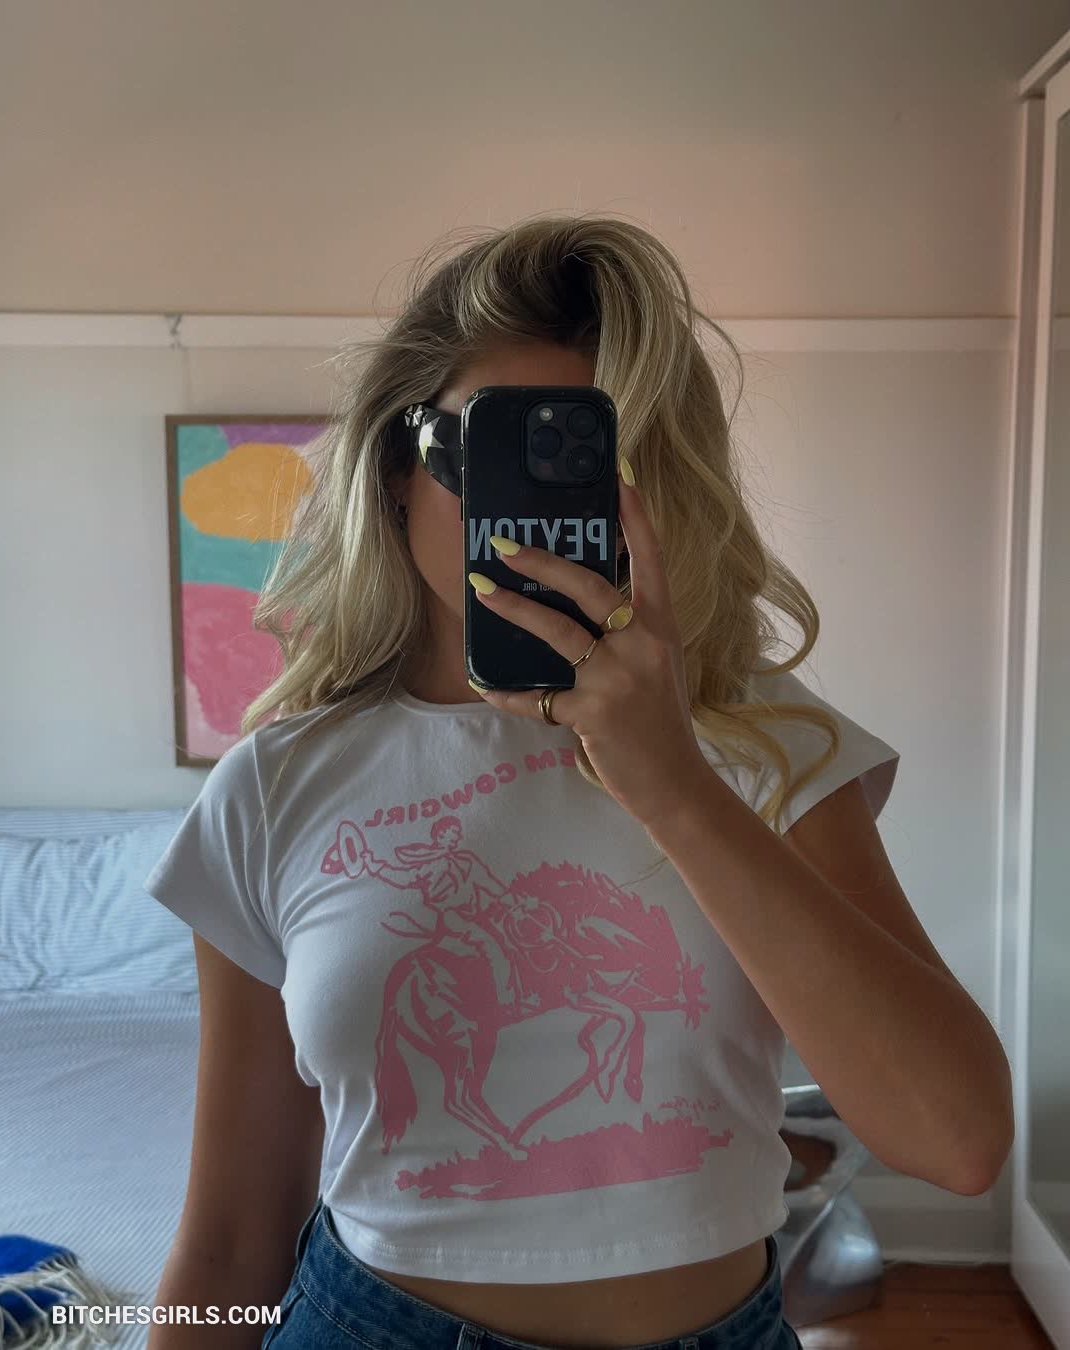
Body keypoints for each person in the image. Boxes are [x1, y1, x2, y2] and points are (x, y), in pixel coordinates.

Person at [142, 215, 989, 1350]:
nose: (536, 512)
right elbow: (232, 1242)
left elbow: (956, 1140)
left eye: (593, 458)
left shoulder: (769, 744)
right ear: (396, 473)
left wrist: (675, 784)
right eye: (490, 452)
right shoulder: (276, 785)